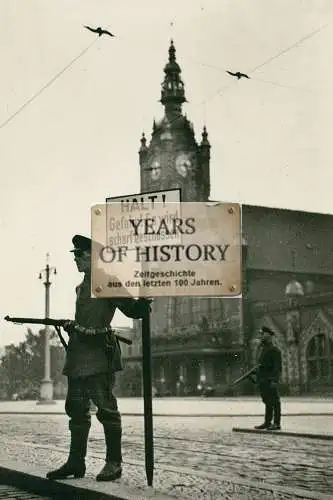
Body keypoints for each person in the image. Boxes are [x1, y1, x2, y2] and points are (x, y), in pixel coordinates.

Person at [46, 235, 150, 482]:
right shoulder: (82, 286)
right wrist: (74, 326)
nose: (75, 260)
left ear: (92, 258)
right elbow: (87, 317)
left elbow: (134, 310)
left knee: (106, 409)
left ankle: (114, 463)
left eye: (79, 256)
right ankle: (75, 463)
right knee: (76, 409)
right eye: (74, 256)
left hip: (98, 356)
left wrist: (145, 299)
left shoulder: (107, 282)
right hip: (79, 356)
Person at [254, 326, 282, 430]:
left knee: (275, 401)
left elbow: (277, 367)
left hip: (270, 380)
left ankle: (276, 423)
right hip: (263, 379)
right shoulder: (263, 349)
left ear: (268, 335)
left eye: (262, 334)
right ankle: (267, 422)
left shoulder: (274, 350)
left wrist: (274, 380)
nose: (261, 336)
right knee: (267, 401)